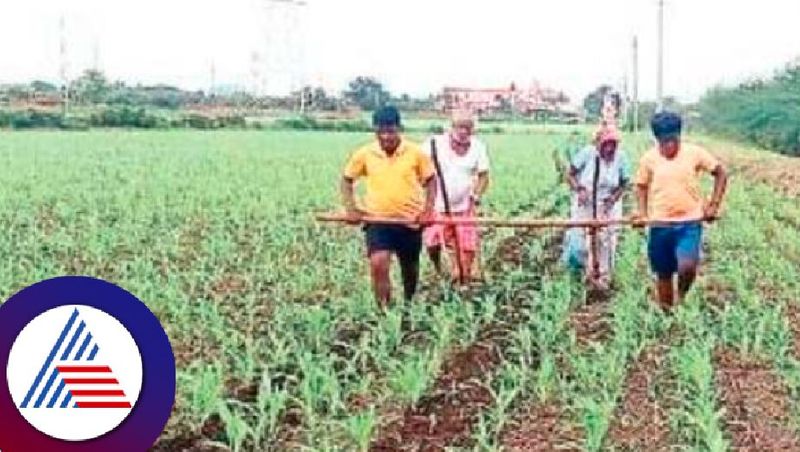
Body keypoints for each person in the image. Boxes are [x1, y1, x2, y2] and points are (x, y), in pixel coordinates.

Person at [341, 106, 437, 309]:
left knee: (409, 267)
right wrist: (351, 208)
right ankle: (384, 311)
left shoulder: (415, 153)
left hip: (409, 221)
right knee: (378, 262)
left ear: (399, 128)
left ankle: (409, 305)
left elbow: (430, 180)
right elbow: (347, 179)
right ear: (375, 131)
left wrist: (427, 210)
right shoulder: (365, 154)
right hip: (378, 221)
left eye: (390, 131)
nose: (386, 136)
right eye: (381, 131)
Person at [633, 111, 728, 311]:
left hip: (689, 223)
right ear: (657, 139)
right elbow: (641, 186)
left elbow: (720, 173)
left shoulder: (695, 153)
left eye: (673, 141)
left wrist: (713, 205)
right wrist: (642, 214)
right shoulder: (648, 159)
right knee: (663, 273)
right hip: (660, 224)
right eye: (664, 142)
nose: (669, 146)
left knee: (687, 266)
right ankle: (667, 313)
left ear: (679, 136)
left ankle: (682, 296)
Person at [422, 110, 490, 283]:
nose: (464, 132)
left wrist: (477, 194)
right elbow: (418, 166)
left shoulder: (478, 147)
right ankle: (438, 268)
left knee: (466, 247)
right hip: (436, 205)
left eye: (468, 128)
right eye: (460, 127)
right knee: (433, 243)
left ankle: (461, 277)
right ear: (451, 127)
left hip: (464, 206)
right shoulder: (434, 144)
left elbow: (483, 175)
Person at [563, 127, 630, 290]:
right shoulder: (587, 154)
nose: (609, 148)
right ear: (597, 144)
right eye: (605, 144)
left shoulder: (621, 158)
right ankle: (586, 274)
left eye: (612, 144)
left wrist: (613, 199)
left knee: (606, 241)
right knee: (581, 240)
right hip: (586, 201)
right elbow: (570, 174)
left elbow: (625, 182)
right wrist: (579, 189)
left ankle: (604, 277)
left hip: (608, 204)